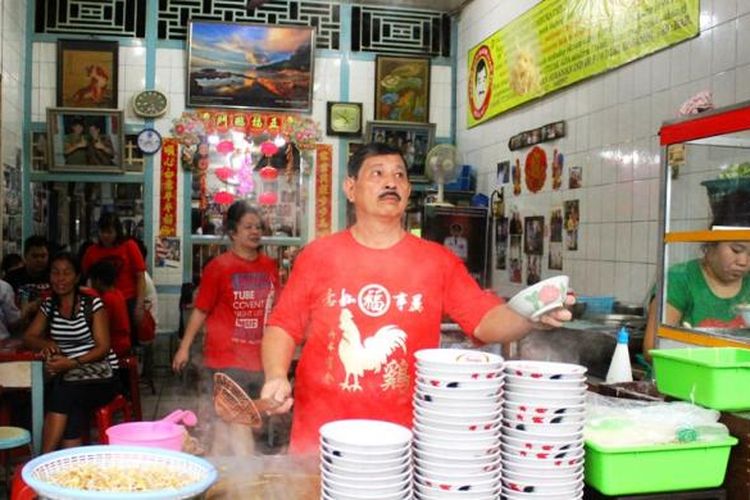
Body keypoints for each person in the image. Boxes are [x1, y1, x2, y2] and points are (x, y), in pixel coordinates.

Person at [260, 143, 572, 454]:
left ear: (408, 191)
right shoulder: (319, 255)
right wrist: (275, 376)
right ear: (350, 188)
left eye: (399, 175)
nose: (390, 182)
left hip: (405, 440)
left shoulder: (437, 261)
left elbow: (485, 322)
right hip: (320, 438)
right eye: (377, 173)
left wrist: (530, 315)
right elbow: (283, 325)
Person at [172, 201, 280, 455]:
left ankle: (220, 480)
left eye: (258, 226)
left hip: (259, 359)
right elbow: (201, 310)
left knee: (226, 426)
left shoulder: (269, 266)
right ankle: (247, 482)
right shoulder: (218, 267)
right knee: (240, 421)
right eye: (248, 227)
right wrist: (184, 348)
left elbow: (277, 310)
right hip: (225, 360)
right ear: (232, 232)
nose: (255, 232)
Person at [23, 252, 118, 453]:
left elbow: (103, 348)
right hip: (69, 377)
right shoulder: (49, 306)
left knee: (63, 391)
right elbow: (29, 337)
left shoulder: (92, 305)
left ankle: (42, 459)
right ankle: (68, 467)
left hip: (103, 376)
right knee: (70, 407)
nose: (60, 279)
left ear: (76, 277)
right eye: (55, 273)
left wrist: (73, 362)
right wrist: (45, 343)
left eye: (66, 273)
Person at [643, 241, 750, 361]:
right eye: (736, 250)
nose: (743, 262)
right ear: (711, 246)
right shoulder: (680, 278)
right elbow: (652, 347)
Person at [82, 213, 146, 345]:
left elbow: (140, 276)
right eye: (102, 232)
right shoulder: (92, 251)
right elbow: (85, 277)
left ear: (117, 231)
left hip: (128, 301)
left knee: (126, 339)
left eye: (109, 232)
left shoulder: (129, 246)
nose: (106, 236)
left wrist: (139, 305)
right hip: (100, 303)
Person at [88, 260, 131, 358]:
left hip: (115, 346)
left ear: (98, 281)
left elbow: (102, 328)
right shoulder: (118, 294)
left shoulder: (107, 299)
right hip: (123, 343)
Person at [6, 236, 51, 327]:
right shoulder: (12, 277)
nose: (39, 260)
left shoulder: (54, 276)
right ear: (25, 256)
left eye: (43, 256)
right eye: (35, 256)